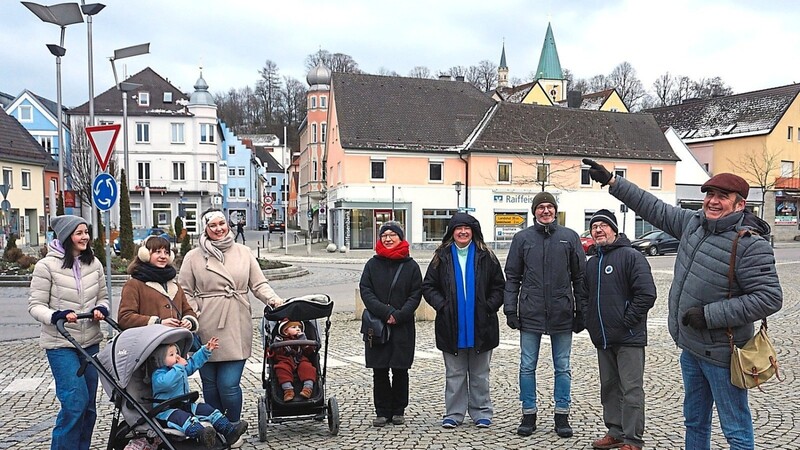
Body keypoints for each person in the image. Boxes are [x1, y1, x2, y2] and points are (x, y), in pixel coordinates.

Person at [583, 159, 782, 450]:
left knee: (735, 428)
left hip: (723, 353)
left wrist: (710, 315)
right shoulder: (693, 225)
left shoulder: (751, 244)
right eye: (709, 195)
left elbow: (770, 297)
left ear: (739, 205)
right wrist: (613, 182)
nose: (713, 201)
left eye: (722, 197)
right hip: (691, 349)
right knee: (694, 422)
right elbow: (651, 206)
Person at [178, 208, 283, 441]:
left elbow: (258, 284)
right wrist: (196, 314)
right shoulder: (193, 257)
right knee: (210, 385)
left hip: (235, 320)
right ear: (205, 229)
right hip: (205, 324)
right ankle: (216, 429)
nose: (218, 228)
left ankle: (233, 427)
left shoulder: (244, 252)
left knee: (228, 384)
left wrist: (274, 300)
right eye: (212, 225)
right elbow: (184, 291)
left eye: (221, 223)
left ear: (228, 224)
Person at [503, 191, 587, 438]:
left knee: (563, 367)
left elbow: (579, 277)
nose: (546, 211)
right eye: (541, 207)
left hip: (562, 312)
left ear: (555, 210)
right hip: (531, 312)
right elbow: (513, 277)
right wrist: (510, 308)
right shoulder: (522, 239)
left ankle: (562, 414)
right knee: (527, 366)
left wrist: (581, 309)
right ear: (534, 211)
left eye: (550, 206)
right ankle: (528, 413)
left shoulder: (569, 238)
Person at [27, 215, 109, 450]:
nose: (85, 237)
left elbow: (103, 296)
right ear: (66, 236)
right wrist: (57, 315)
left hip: (90, 342)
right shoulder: (46, 266)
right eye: (79, 233)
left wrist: (101, 309)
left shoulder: (94, 264)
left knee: (89, 407)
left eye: (86, 232)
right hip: (60, 343)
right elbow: (36, 305)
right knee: (75, 403)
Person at [580, 209, 656, 450]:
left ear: (614, 229)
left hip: (629, 337)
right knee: (610, 387)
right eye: (594, 227)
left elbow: (646, 294)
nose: (598, 230)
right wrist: (590, 320)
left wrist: (627, 319)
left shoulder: (631, 256)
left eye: (603, 225)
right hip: (603, 337)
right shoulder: (592, 263)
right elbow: (583, 296)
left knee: (631, 389)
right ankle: (615, 431)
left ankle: (633, 439)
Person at [421, 213, 505, 429]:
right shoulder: (442, 256)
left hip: (482, 323)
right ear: (452, 232)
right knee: (455, 373)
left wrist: (489, 306)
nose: (463, 232)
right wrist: (442, 305)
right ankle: (454, 413)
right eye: (459, 228)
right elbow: (429, 286)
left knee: (480, 374)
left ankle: (481, 412)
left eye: (467, 228)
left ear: (473, 231)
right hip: (451, 324)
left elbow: (499, 286)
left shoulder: (486, 256)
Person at [359, 221, 422, 427]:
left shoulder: (411, 266)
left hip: (403, 325)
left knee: (400, 369)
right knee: (379, 369)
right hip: (378, 324)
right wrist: (386, 313)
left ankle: (398, 410)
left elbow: (415, 294)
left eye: (392, 234)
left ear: (400, 238)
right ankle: (382, 411)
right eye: (384, 235)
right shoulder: (372, 264)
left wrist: (400, 315)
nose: (387, 238)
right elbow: (366, 291)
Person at [149, 337, 248, 448]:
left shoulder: (180, 368)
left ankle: (229, 432)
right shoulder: (158, 374)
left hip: (185, 405)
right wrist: (179, 366)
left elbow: (193, 363)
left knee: (207, 409)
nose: (177, 356)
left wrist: (205, 350)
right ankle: (202, 435)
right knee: (183, 418)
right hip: (166, 411)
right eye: (171, 355)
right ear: (160, 359)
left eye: (177, 353)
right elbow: (167, 383)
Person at [118, 235, 199, 331]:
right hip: (148, 343)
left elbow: (187, 310)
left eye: (166, 252)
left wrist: (188, 321)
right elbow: (125, 318)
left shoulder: (174, 285)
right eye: (158, 252)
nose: (163, 256)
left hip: (176, 341)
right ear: (145, 255)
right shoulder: (134, 285)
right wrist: (158, 322)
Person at [272, 319, 317, 402]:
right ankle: (288, 390)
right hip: (286, 360)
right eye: (294, 327)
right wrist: (277, 345)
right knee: (281, 368)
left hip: (301, 360)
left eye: (299, 327)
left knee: (308, 367)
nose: (298, 329)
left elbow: (309, 352)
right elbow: (276, 354)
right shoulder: (280, 339)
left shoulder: (303, 338)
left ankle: (307, 388)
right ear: (285, 331)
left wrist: (304, 341)